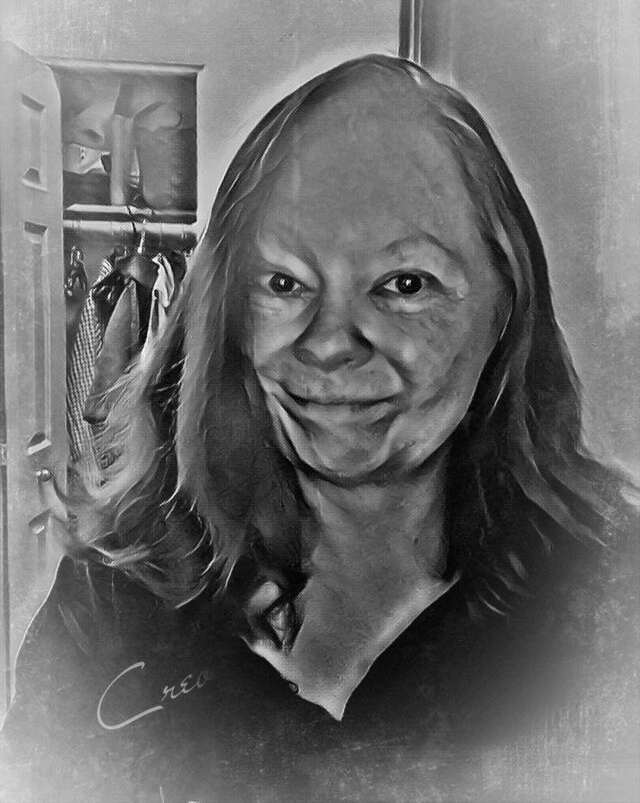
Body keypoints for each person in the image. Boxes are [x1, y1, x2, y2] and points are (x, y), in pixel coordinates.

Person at [3, 55, 637, 803]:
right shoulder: (114, 596)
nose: (329, 343)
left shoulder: (609, 609)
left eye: (405, 283)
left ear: (506, 307)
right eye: (283, 283)